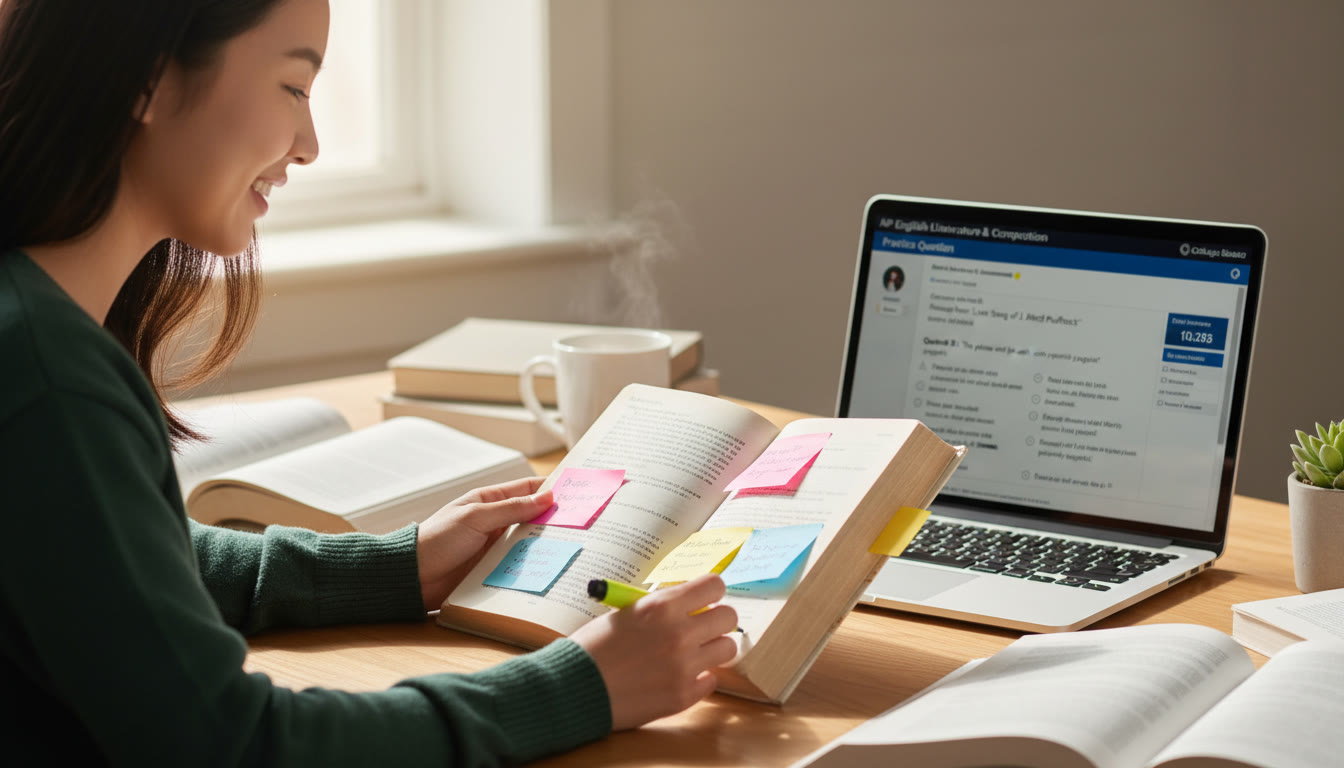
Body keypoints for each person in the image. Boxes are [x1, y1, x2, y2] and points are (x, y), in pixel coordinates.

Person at [0, 1, 738, 765]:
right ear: (149, 80)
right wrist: (584, 684)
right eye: (293, 88)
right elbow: (235, 745)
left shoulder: (33, 329)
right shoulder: (49, 381)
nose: (311, 144)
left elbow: (113, 567)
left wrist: (393, 566)